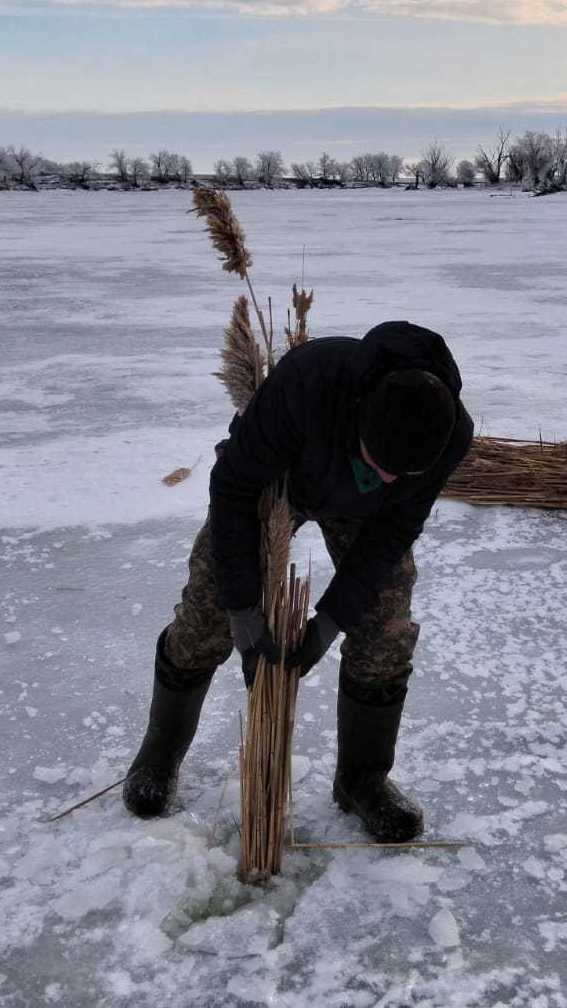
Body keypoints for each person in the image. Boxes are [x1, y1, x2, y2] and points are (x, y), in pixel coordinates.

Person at [122, 320, 473, 842]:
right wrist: (242, 609)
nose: (392, 480)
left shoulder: (449, 435)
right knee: (206, 611)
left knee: (386, 626)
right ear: (358, 422)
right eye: (381, 466)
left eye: (404, 475)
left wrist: (329, 623)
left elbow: (393, 532)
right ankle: (160, 753)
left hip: (368, 516)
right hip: (278, 480)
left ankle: (363, 779)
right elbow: (235, 488)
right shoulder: (307, 384)